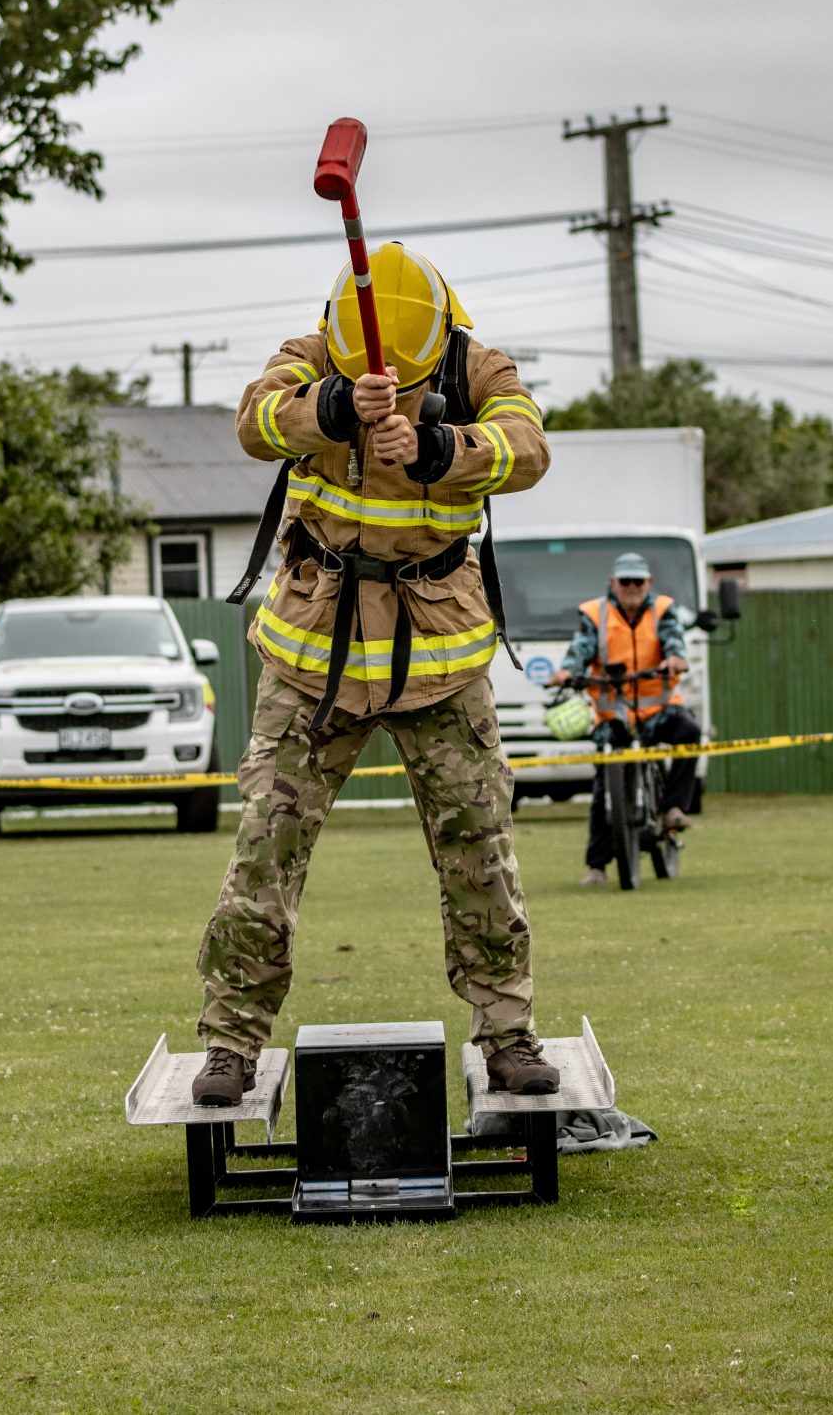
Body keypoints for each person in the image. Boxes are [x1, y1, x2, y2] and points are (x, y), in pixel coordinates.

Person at [190, 244, 559, 1105]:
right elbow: (255, 421)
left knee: (480, 849)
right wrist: (331, 405)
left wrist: (439, 446)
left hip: (441, 660)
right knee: (265, 851)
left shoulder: (478, 366)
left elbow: (529, 447)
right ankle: (230, 1043)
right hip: (313, 657)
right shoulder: (313, 353)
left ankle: (508, 1034)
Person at [557, 553, 702, 887]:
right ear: (613, 583)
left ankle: (673, 808)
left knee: (690, 732)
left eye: (638, 581)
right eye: (626, 581)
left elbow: (674, 642)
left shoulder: (663, 610)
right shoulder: (595, 614)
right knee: (604, 785)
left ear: (649, 583)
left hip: (658, 710)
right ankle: (597, 866)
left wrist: (675, 659)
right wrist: (567, 672)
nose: (632, 587)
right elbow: (580, 649)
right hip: (614, 715)